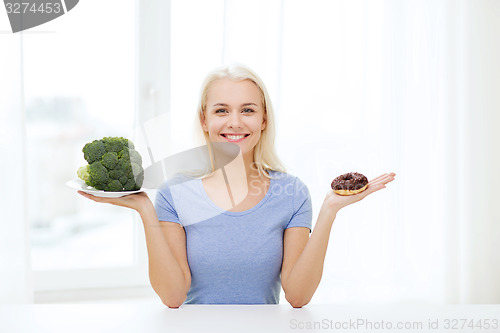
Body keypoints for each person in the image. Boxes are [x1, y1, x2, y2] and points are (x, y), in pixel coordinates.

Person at [78, 64, 396, 308]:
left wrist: (329, 210)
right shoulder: (174, 193)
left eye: (247, 110)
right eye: (221, 111)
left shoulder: (292, 193)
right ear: (204, 120)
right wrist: (146, 211)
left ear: (264, 119)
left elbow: (298, 296)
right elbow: (174, 297)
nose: (235, 122)